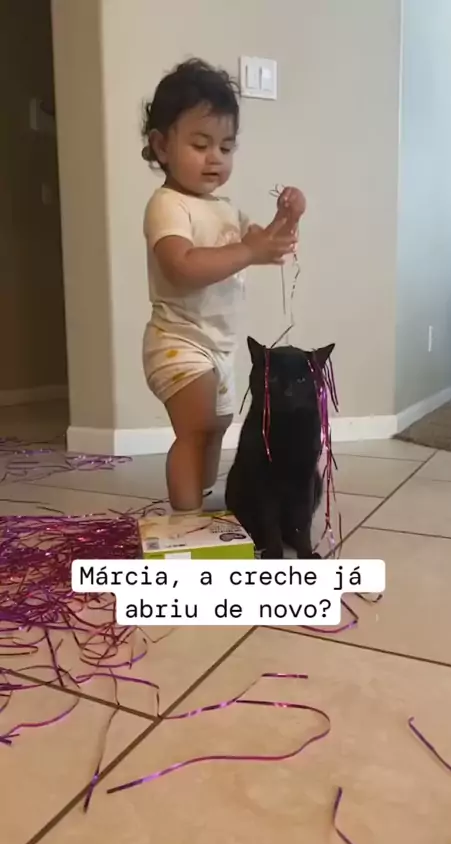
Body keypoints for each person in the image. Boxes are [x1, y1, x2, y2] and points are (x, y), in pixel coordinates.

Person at [141, 58, 306, 513]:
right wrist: (249, 250)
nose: (215, 156)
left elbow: (269, 244)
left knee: (216, 428)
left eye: (226, 146)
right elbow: (181, 266)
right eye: (200, 144)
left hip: (218, 345)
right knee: (194, 430)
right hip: (178, 341)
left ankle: (199, 498)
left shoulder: (226, 209)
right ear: (161, 146)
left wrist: (289, 215)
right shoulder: (167, 205)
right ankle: (185, 518)